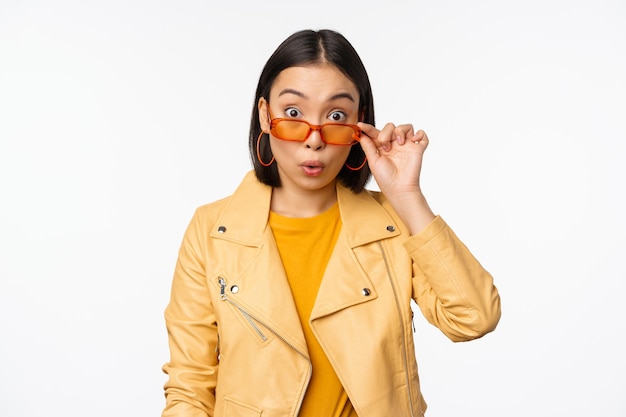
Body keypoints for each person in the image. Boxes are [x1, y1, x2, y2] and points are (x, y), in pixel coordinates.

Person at [161, 29, 501, 417]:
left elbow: (474, 318)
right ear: (264, 116)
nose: (314, 139)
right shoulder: (211, 230)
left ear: (360, 125)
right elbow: (189, 387)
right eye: (293, 114)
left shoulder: (392, 221)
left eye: (336, 116)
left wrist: (406, 197)